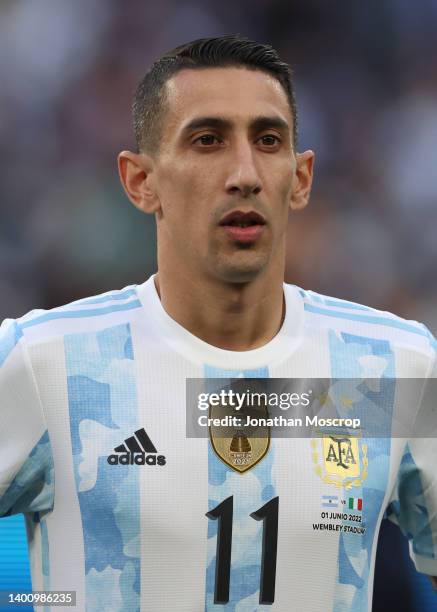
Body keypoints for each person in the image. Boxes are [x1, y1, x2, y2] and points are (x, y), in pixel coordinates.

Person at [0, 35, 436, 612]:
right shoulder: (44, 361)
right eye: (208, 140)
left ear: (300, 178)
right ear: (140, 181)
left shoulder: (391, 366)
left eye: (268, 140)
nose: (245, 173)